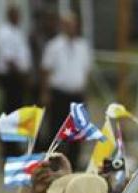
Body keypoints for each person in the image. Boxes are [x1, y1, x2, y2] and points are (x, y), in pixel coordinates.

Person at [41, 12, 92, 167]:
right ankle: (55, 163)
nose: (71, 28)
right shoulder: (54, 46)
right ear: (62, 26)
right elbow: (46, 70)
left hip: (76, 94)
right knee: (56, 130)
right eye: (68, 25)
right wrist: (45, 93)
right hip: (59, 94)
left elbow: (86, 72)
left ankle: (74, 164)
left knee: (76, 132)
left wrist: (86, 94)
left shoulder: (82, 46)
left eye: (73, 25)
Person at [0, 4, 33, 156]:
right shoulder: (4, 33)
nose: (18, 17)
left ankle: (15, 149)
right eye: (14, 14)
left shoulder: (18, 32)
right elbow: (9, 59)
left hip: (19, 79)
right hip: (11, 79)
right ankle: (8, 151)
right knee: (9, 116)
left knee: (18, 117)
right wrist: (23, 77)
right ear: (9, 15)